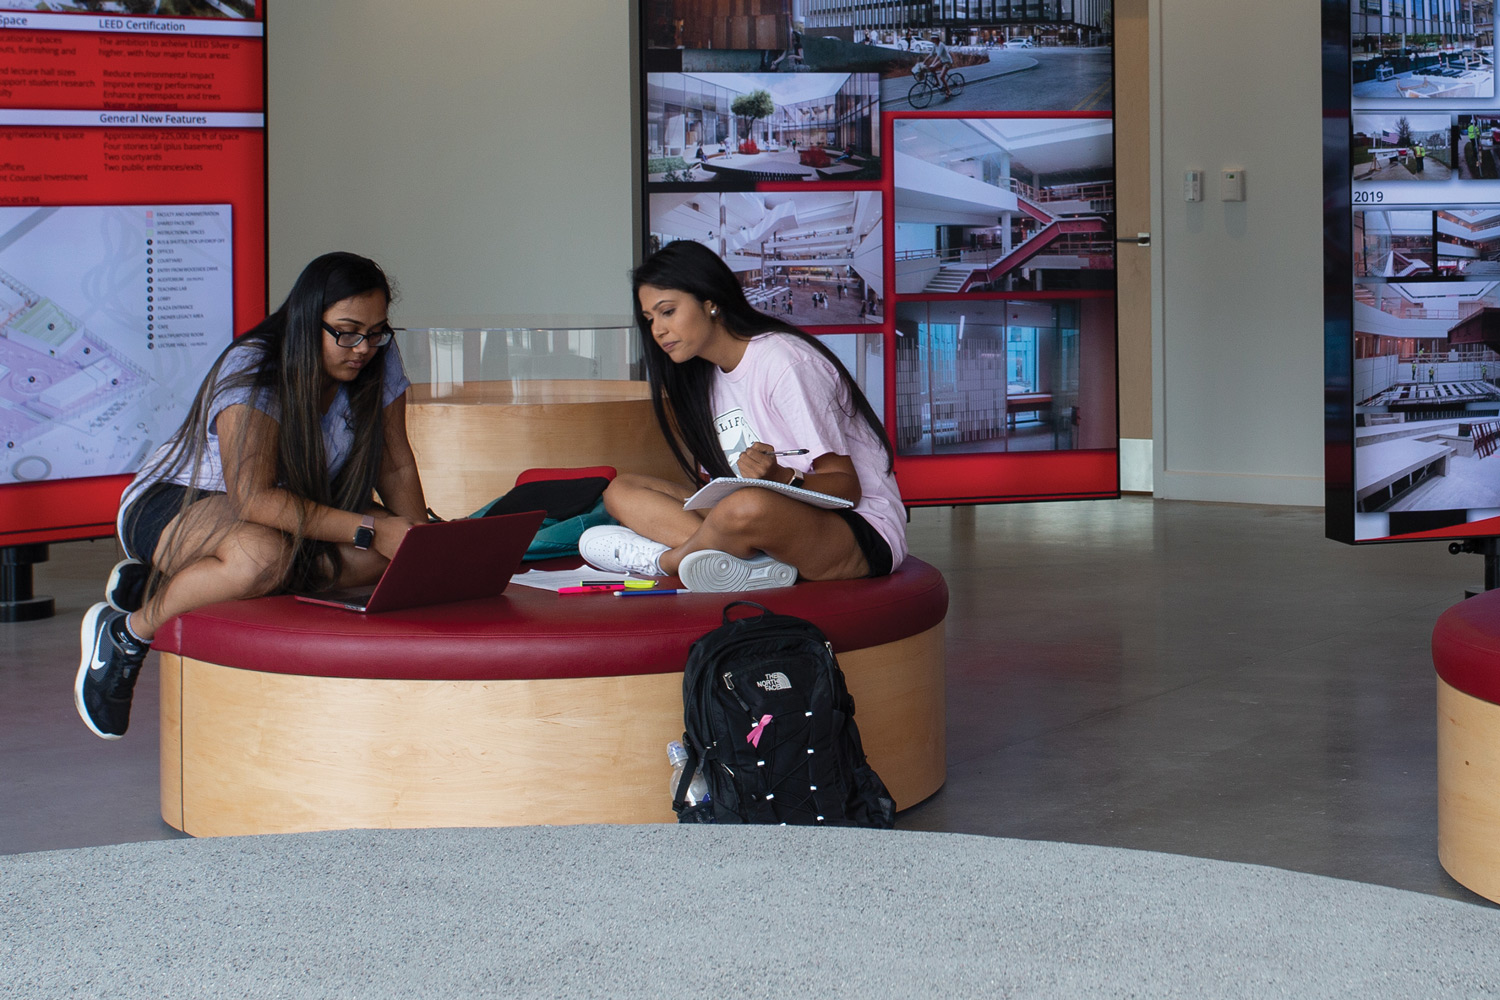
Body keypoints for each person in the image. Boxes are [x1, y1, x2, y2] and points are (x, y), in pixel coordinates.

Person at [76, 252, 427, 740]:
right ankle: (129, 631)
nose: (363, 347)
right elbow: (254, 499)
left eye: (376, 331)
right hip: (178, 498)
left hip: (289, 507)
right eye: (346, 331)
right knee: (262, 558)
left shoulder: (376, 356)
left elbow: (395, 462)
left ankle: (178, 579)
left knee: (382, 559)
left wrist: (420, 549)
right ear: (309, 321)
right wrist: (374, 528)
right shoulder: (258, 364)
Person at [577, 241, 905, 593]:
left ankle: (666, 561)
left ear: (710, 301)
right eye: (649, 319)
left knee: (746, 506)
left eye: (667, 311)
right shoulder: (707, 376)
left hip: (856, 531)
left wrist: (780, 476)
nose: (657, 330)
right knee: (622, 490)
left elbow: (846, 487)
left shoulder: (786, 362)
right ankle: (739, 560)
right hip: (767, 523)